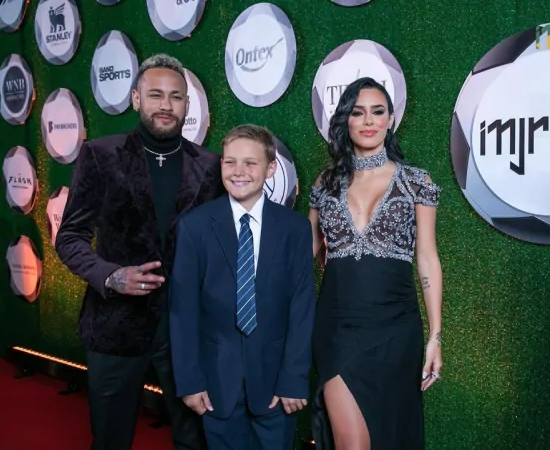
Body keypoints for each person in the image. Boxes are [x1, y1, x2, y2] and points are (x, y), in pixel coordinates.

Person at [55, 53, 225, 450]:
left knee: (196, 439)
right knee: (110, 439)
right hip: (116, 324)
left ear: (187, 104)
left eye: (176, 97)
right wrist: (111, 276)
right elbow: (69, 237)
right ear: (135, 99)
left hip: (187, 329)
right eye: (155, 95)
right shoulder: (99, 155)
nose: (166, 105)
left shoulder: (210, 166)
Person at [308, 77, 444, 450]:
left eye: (377, 111)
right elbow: (305, 253)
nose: (368, 120)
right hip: (337, 327)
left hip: (396, 330)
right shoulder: (326, 183)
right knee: (352, 443)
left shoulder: (416, 181)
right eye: (358, 112)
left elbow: (427, 257)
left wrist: (435, 336)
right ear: (346, 120)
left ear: (391, 119)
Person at [168, 124, 316, 450]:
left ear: (271, 168)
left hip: (276, 385)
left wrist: (294, 379)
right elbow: (183, 311)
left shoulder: (294, 228)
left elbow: (302, 308)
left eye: (250, 163)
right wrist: (190, 381)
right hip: (215, 384)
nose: (239, 171)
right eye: (230, 162)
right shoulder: (195, 226)